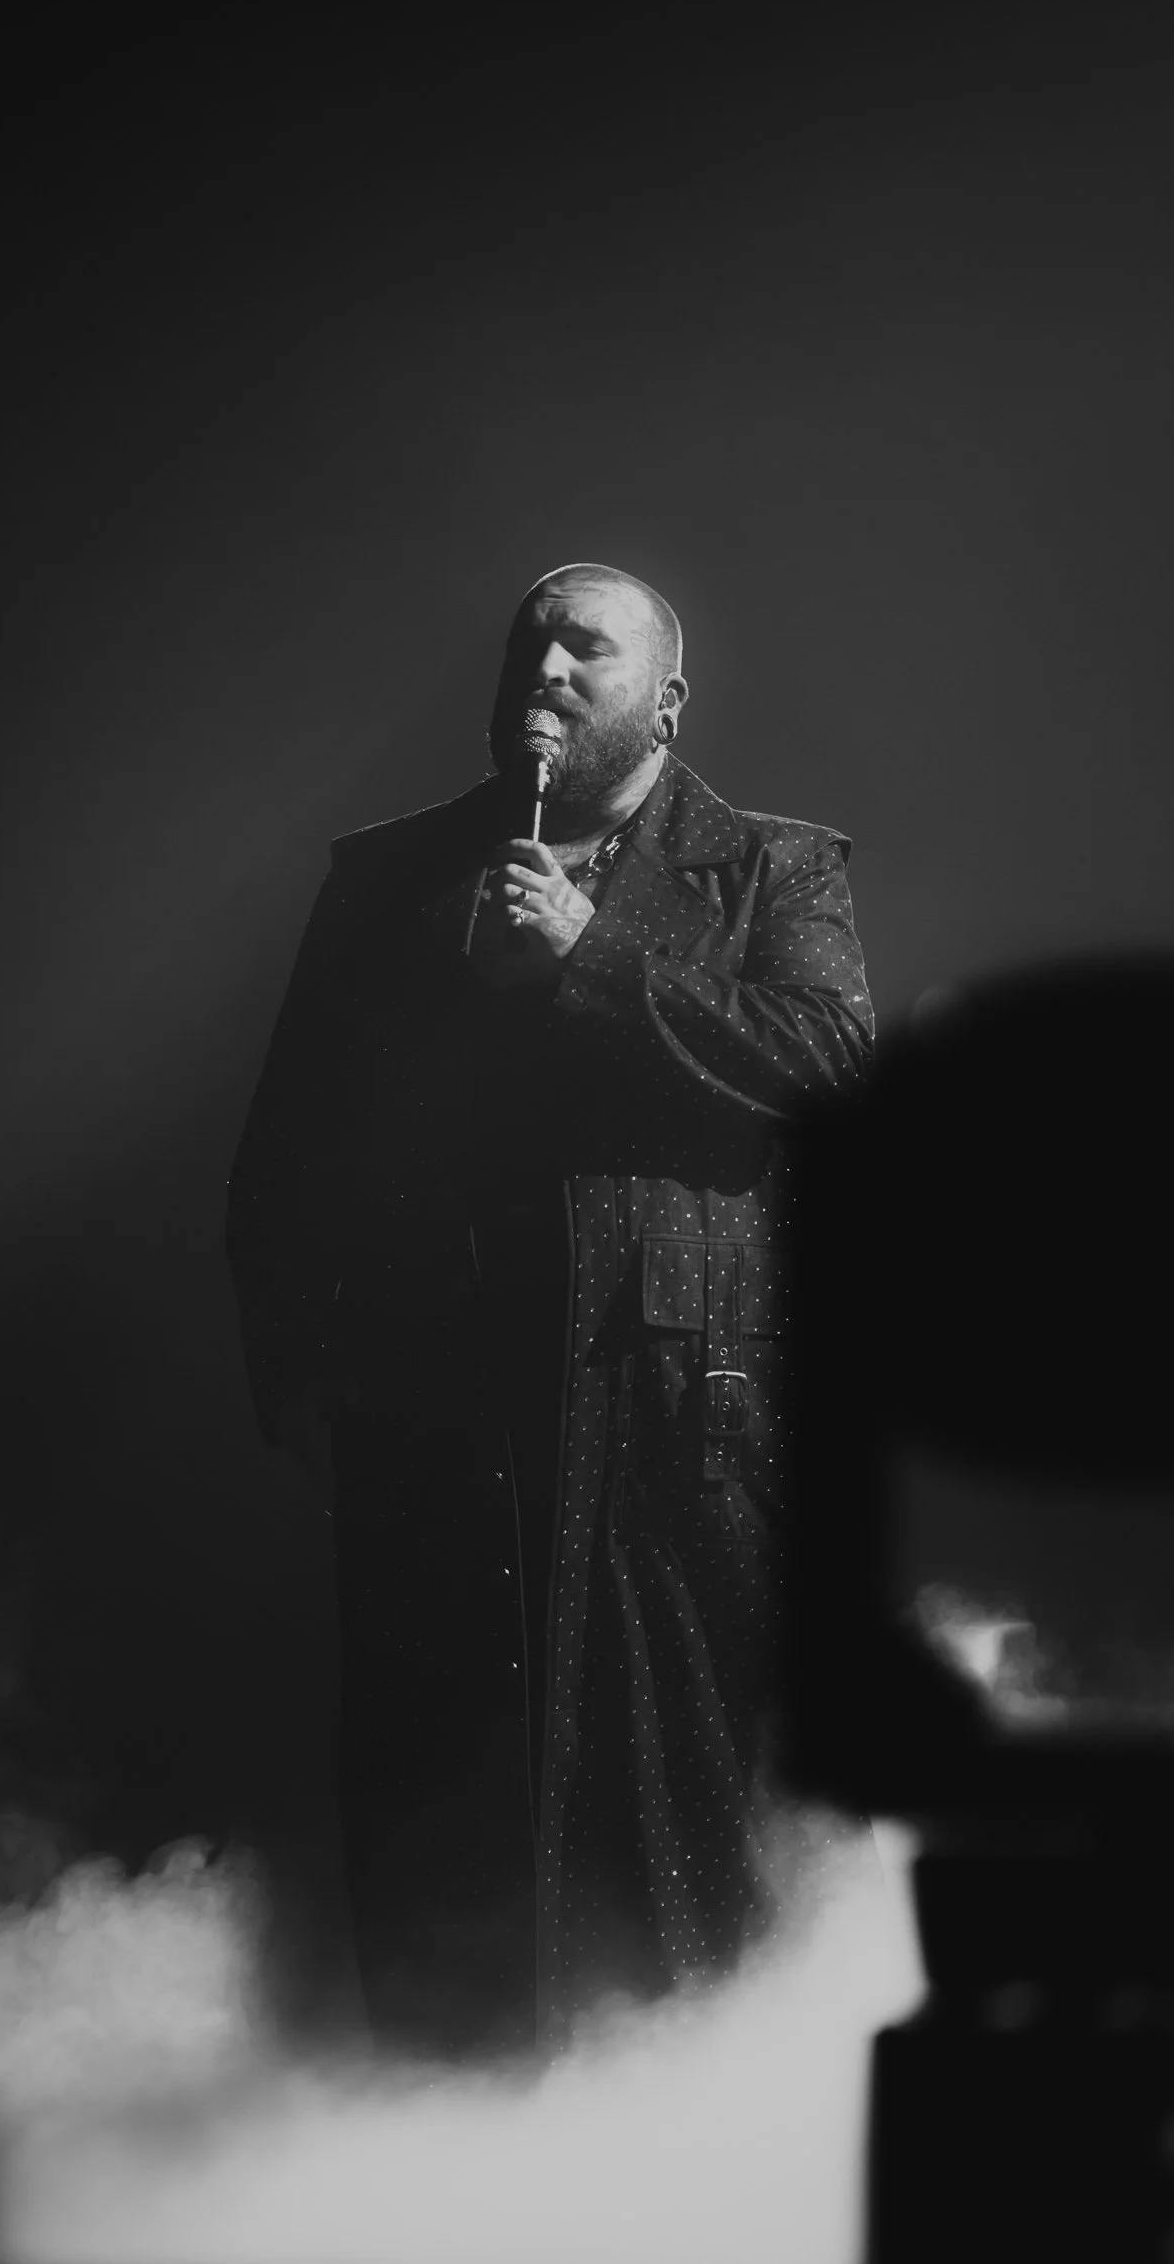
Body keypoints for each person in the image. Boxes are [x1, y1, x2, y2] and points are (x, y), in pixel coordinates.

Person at [225, 562, 874, 2058]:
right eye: (530, 644)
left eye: (588, 646)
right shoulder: (387, 878)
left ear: (668, 701)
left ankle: (671, 2148)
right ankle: (445, 2147)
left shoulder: (771, 869)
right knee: (439, 1840)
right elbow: (285, 1154)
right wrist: (298, 1367)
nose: (549, 667)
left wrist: (594, 958)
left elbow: (832, 1068)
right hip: (432, 1438)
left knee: (667, 1838)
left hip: (675, 1446)